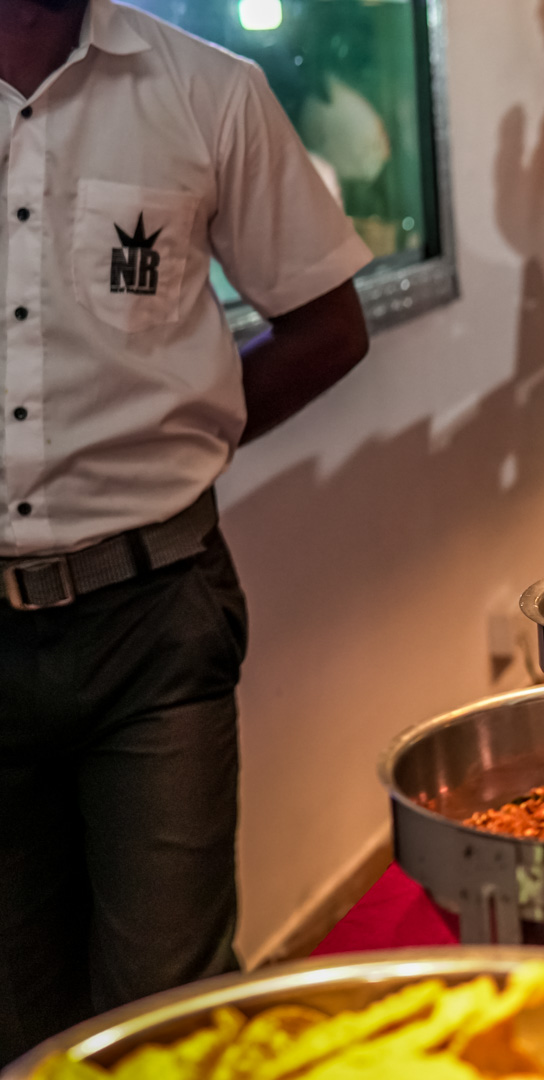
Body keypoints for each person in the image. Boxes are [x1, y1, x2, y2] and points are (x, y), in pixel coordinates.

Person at [0, 0, 373, 1063]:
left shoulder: (208, 91)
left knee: (171, 1015)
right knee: (19, 1025)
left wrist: (178, 427)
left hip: (154, 617)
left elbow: (328, 324)